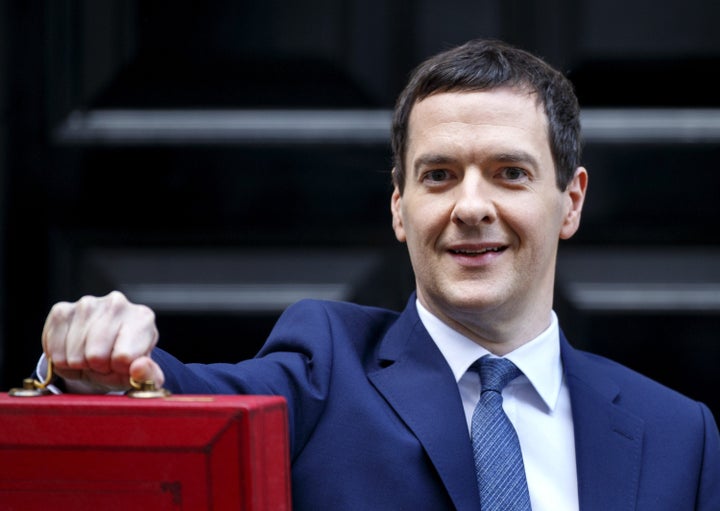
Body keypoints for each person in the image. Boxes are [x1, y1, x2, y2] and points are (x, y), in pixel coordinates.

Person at [39, 39, 719, 511]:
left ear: (570, 201)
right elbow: (190, 408)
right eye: (439, 175)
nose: (472, 205)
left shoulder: (678, 435)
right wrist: (97, 364)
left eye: (510, 173)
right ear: (400, 207)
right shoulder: (322, 369)